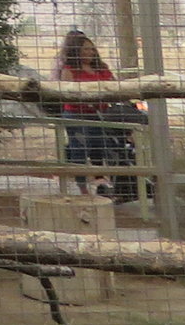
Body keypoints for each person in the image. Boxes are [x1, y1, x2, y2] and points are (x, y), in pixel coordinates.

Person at [51, 28, 140, 199]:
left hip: (101, 114)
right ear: (76, 51)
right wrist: (89, 98)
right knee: (80, 149)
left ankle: (104, 183)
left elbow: (114, 87)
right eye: (85, 49)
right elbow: (68, 93)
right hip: (77, 115)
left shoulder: (101, 68)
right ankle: (82, 188)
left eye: (92, 49)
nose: (90, 52)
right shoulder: (69, 69)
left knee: (102, 147)